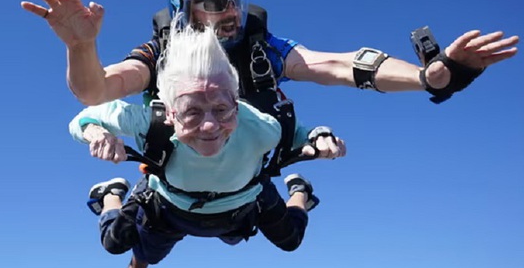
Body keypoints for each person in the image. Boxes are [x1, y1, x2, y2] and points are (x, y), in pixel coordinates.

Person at [21, 0, 518, 109]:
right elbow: (96, 91)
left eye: (233, 2)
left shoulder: (263, 49)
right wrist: (82, 47)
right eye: (213, 5)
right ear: (181, 11)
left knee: (276, 232)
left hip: (245, 176)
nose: (229, 15)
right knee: (148, 235)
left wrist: (431, 77)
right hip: (177, 172)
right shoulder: (161, 50)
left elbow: (343, 66)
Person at [68, 22, 347, 268]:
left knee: (291, 239)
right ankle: (111, 194)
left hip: (243, 203)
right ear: (170, 113)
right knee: (117, 242)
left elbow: (296, 133)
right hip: (169, 205)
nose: (210, 126)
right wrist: (96, 133)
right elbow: (83, 118)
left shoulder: (262, 126)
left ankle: (300, 192)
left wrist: (320, 136)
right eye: (192, 112)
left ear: (236, 105)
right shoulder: (148, 121)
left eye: (222, 109)